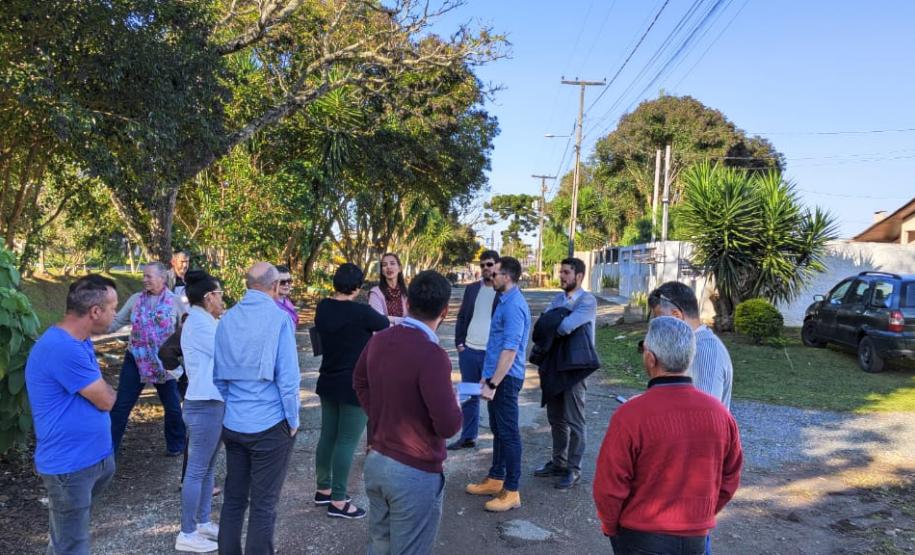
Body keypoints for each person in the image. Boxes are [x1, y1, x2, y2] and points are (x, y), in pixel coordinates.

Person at [593, 317, 743, 555]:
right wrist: (702, 514)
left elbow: (609, 485)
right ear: (689, 358)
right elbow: (730, 476)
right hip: (696, 538)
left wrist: (611, 527)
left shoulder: (631, 415)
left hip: (640, 537)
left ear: (650, 359)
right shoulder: (720, 415)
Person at [354, 270, 462, 554]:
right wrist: (457, 403)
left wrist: (377, 416)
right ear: (445, 311)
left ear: (407, 303)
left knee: (380, 542)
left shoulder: (380, 340)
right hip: (414, 470)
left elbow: (360, 381)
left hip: (377, 461)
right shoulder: (432, 355)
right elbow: (448, 425)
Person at [26, 275, 119, 555]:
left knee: (67, 540)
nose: (116, 314)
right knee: (72, 547)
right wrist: (110, 393)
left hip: (89, 460)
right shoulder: (62, 347)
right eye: (114, 307)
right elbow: (105, 399)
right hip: (71, 466)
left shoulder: (80, 340)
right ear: (95, 311)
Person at [214, 262, 301, 555]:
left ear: (247, 284)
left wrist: (234, 404)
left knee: (234, 499)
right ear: (275, 286)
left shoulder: (227, 319)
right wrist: (293, 419)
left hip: (235, 421)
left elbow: (219, 377)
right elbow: (288, 379)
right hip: (269, 422)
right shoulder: (279, 319)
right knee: (264, 505)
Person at [314, 263, 389, 519]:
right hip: (355, 383)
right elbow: (385, 324)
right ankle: (338, 500)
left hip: (328, 378)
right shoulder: (362, 312)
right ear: (357, 287)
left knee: (328, 436)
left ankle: (323, 489)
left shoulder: (323, 307)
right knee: (347, 441)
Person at [465, 256, 531, 512]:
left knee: (509, 433)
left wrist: (493, 382)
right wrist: (486, 376)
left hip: (506, 378)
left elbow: (510, 350)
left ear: (508, 276)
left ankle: (511, 490)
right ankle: (496, 478)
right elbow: (496, 345)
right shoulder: (503, 300)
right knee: (498, 429)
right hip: (496, 376)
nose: (491, 276)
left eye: (496, 273)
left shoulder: (514, 305)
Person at [532, 257, 599, 489]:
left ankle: (574, 469)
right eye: (561, 272)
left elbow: (564, 326)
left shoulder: (588, 301)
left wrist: (556, 318)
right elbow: (541, 326)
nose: (561, 276)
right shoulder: (558, 298)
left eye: (566, 272)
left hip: (575, 368)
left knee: (575, 420)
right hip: (554, 365)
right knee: (556, 419)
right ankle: (558, 462)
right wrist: (556, 318)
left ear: (579, 276)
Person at [109, 262, 187, 456]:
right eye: (143, 276)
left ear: (162, 278)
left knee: (173, 408)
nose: (144, 280)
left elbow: (186, 329)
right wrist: (89, 331)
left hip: (164, 362)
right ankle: (107, 452)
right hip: (136, 359)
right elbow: (117, 321)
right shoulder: (136, 299)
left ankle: (176, 446)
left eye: (148, 276)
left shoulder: (175, 301)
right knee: (121, 406)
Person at [175, 270, 226, 553]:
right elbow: (227, 352)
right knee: (196, 470)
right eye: (219, 295)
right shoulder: (200, 324)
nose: (222, 300)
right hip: (204, 404)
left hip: (212, 402)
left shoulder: (206, 320)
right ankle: (187, 531)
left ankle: (203, 521)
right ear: (208, 298)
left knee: (207, 469)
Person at [647, 281, 733, 410]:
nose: (658, 327)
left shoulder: (704, 350)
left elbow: (704, 415)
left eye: (660, 319)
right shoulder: (687, 347)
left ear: (676, 315)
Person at [449, 250, 500, 451]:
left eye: (489, 264)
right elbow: (462, 316)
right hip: (469, 351)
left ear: (497, 265)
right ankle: (468, 437)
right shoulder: (471, 289)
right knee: (470, 396)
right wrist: (460, 343)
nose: (486, 268)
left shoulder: (503, 290)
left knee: (494, 397)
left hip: (492, 355)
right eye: (482, 265)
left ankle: (499, 440)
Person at [369, 253, 408, 325]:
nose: (388, 267)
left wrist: (389, 319)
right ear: (382, 271)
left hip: (406, 334)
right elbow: (378, 319)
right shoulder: (375, 293)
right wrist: (405, 321)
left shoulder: (406, 292)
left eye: (392, 263)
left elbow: (415, 318)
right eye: (384, 265)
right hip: (384, 334)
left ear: (399, 268)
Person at [274, 264, 300, 328]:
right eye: (282, 282)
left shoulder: (287, 302)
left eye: (289, 281)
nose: (287, 284)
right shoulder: (269, 305)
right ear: (273, 283)